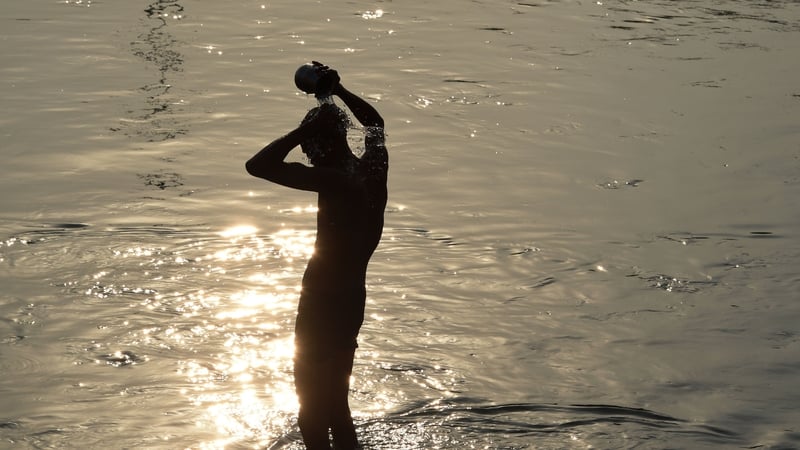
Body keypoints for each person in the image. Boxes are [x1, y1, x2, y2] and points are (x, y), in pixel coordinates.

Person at [245, 62, 387, 450]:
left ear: (321, 141)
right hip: (351, 299)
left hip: (323, 302)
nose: (305, 151)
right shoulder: (371, 171)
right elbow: (374, 125)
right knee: (337, 406)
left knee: (310, 408)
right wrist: (338, 89)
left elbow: (257, 166)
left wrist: (307, 128)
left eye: (309, 145)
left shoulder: (333, 180)